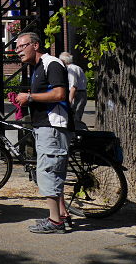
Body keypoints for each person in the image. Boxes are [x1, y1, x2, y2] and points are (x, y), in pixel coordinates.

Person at [15, 32, 74, 234]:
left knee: (48, 173)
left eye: (21, 46)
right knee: (52, 172)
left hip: (53, 127)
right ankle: (62, 215)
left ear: (36, 45)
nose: (17, 51)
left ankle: (55, 222)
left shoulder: (52, 63)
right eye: (16, 47)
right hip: (44, 126)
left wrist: (30, 97)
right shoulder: (38, 67)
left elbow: (60, 94)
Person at [59, 51, 88, 128]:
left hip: (77, 95)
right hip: (82, 93)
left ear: (63, 61)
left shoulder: (70, 69)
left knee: (74, 118)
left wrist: (69, 101)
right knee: (77, 116)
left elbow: (73, 87)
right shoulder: (77, 67)